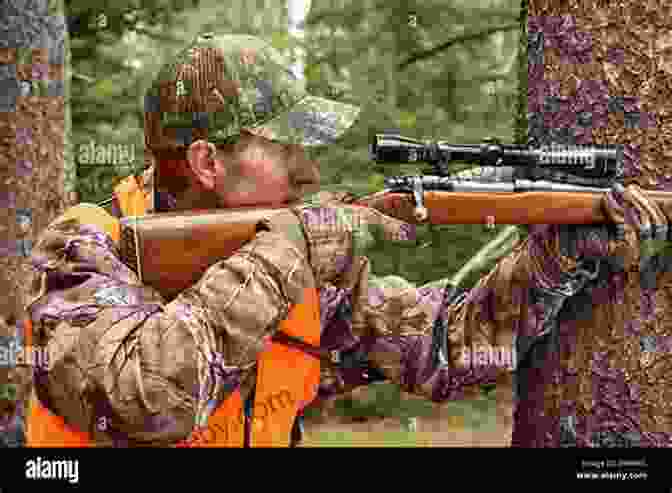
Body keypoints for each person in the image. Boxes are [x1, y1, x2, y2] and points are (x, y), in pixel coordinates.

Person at [22, 32, 672, 447]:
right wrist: (289, 247)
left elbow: (441, 348)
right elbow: (143, 400)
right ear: (206, 163)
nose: (309, 171)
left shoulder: (295, 262)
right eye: (287, 148)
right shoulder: (87, 247)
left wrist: (562, 255)